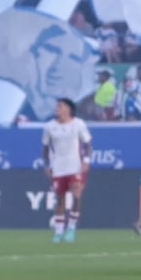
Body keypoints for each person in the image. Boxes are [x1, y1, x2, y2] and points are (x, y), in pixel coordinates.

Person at [39, 97, 94, 242]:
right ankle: (58, 231)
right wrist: (46, 164)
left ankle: (71, 227)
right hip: (58, 167)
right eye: (57, 106)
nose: (57, 109)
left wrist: (86, 161)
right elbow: (45, 148)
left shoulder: (78, 124)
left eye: (60, 106)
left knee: (76, 194)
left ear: (68, 109)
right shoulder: (49, 127)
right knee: (60, 199)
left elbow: (88, 143)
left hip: (75, 166)